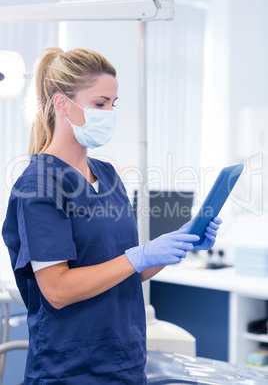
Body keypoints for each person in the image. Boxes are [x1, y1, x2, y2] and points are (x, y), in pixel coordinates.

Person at [2, 47, 221, 384]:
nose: (110, 113)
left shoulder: (106, 174)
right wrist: (138, 256)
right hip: (71, 369)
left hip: (126, 362)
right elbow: (57, 290)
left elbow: (123, 271)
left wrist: (178, 242)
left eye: (113, 104)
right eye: (100, 104)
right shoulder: (38, 185)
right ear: (62, 105)